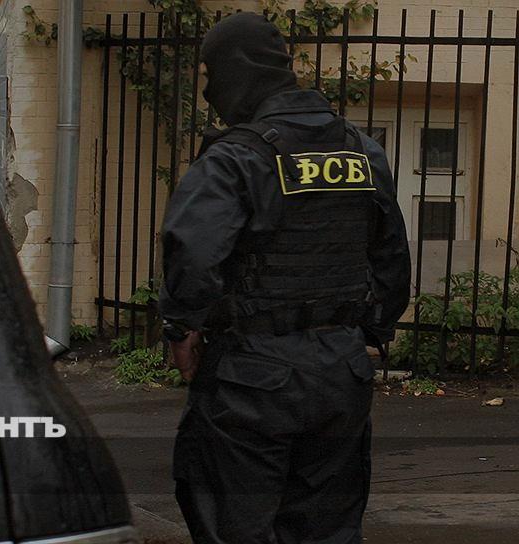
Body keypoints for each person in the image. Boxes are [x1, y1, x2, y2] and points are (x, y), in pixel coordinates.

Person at [158, 12, 411, 544]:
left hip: (252, 374)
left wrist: (182, 329)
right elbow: (391, 253)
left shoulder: (236, 157)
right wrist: (369, 331)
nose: (208, 89)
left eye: (209, 74)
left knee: (234, 521)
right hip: (342, 372)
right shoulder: (362, 150)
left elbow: (193, 253)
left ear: (236, 70)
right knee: (326, 527)